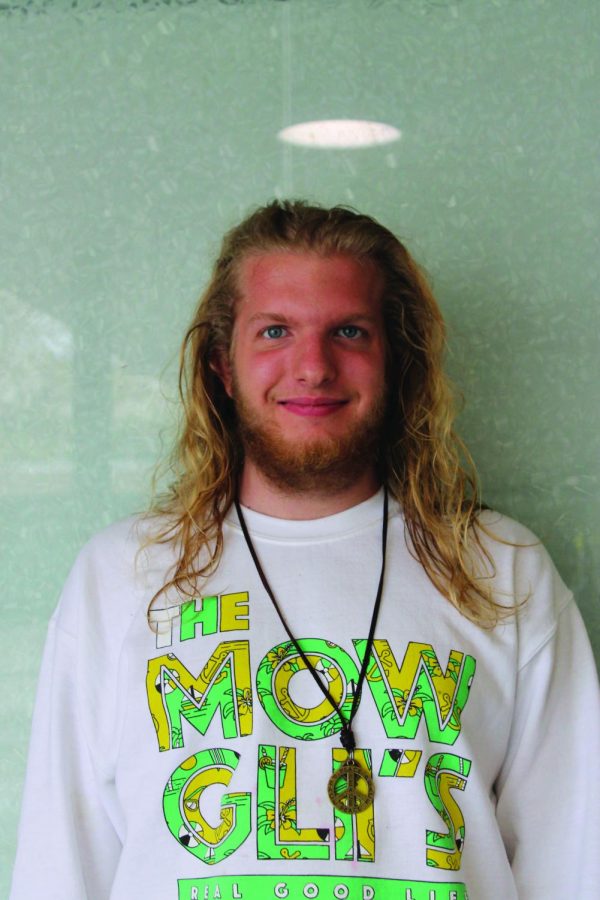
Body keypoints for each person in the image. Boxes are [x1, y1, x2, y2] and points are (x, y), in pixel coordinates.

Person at [11, 200, 600, 900]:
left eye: (349, 331)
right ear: (223, 367)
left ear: (395, 361)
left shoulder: (500, 567)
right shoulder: (122, 575)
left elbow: (574, 864)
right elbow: (60, 868)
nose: (313, 366)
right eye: (275, 331)